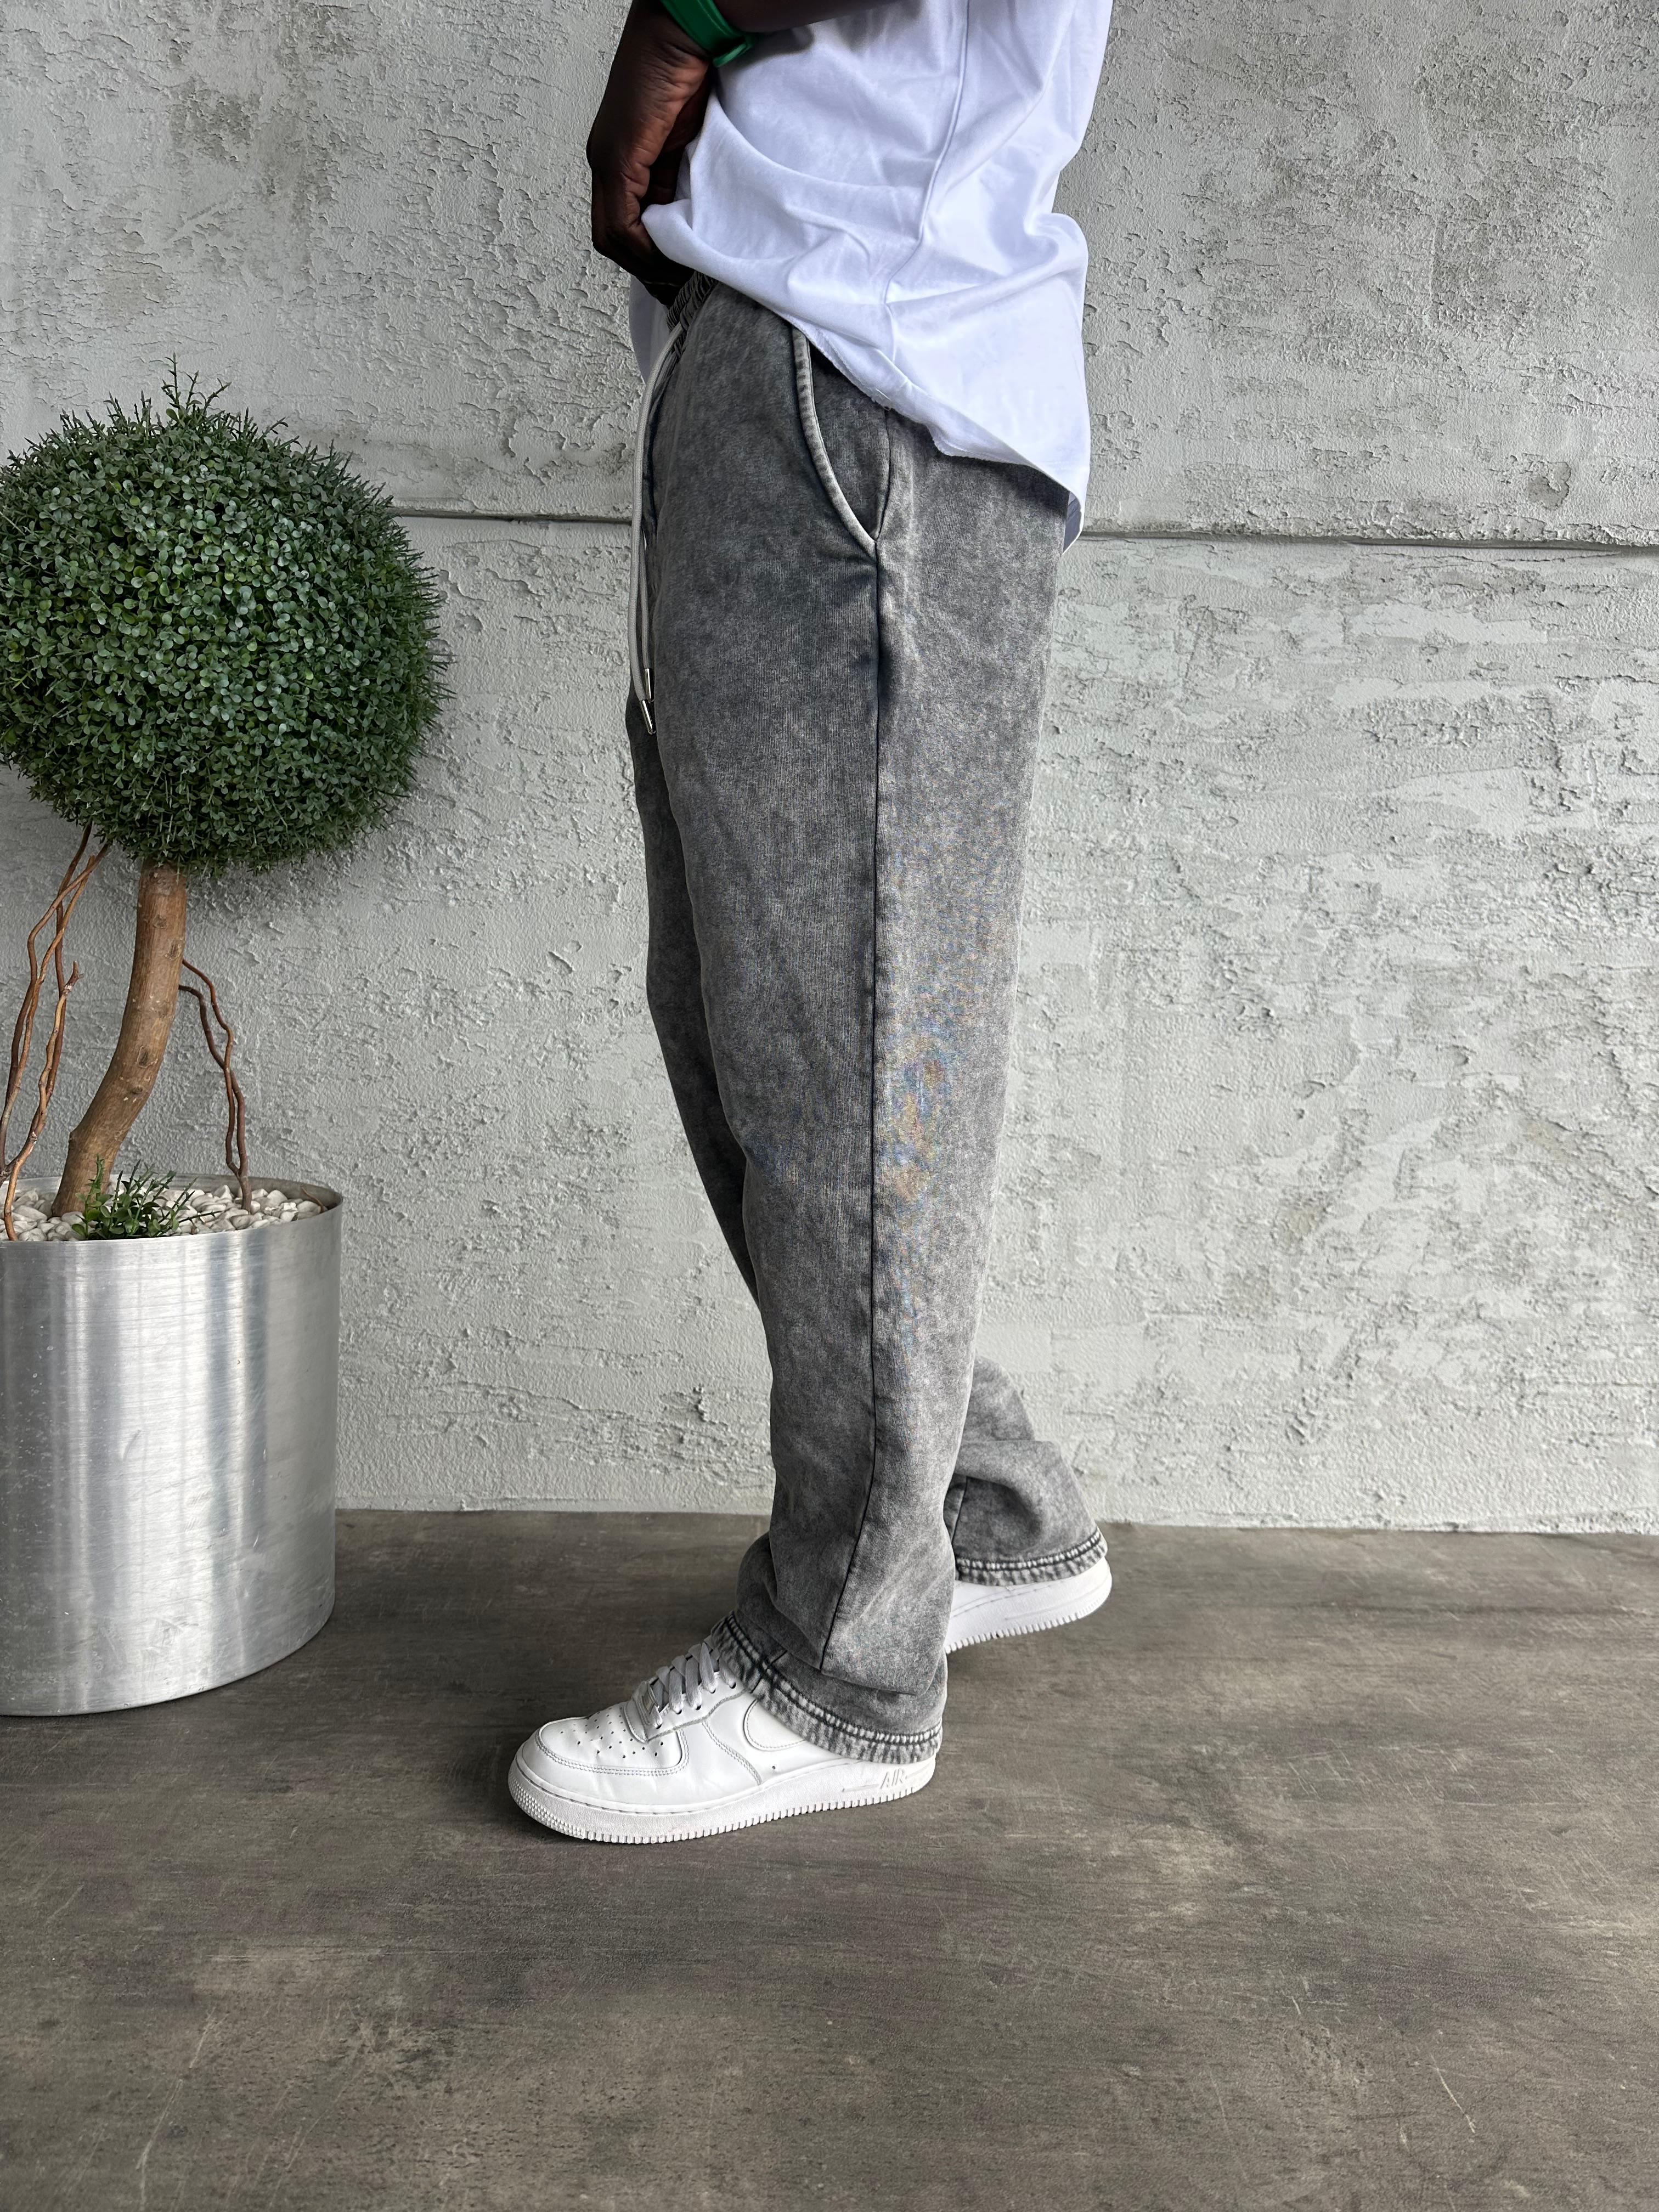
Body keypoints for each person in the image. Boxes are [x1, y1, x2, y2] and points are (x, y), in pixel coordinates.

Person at [511, 0, 1117, 1844]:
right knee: (757, 1037)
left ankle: (843, 1674)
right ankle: (972, 1511)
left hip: (862, 356)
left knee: (833, 1060)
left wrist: (682, 19)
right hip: (798, 346)